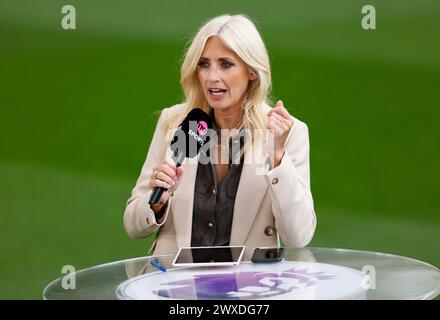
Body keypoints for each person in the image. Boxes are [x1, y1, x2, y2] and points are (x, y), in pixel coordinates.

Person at [123, 14, 316, 255]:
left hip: (248, 286)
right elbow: (133, 225)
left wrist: (278, 157)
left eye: (226, 64)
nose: (212, 77)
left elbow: (298, 236)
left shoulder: (287, 133)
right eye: (204, 64)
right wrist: (157, 203)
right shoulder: (175, 122)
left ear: (252, 71)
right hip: (175, 286)